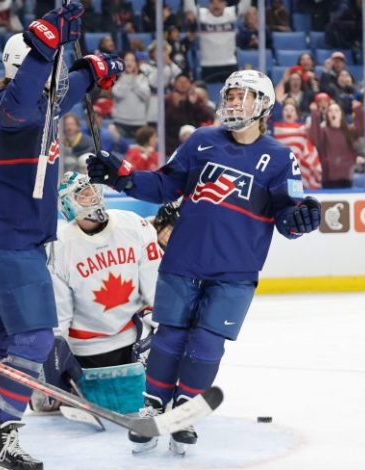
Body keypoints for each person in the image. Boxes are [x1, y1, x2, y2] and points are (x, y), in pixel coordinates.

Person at [86, 69, 321, 455]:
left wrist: (300, 220)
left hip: (235, 272)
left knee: (207, 344)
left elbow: (288, 217)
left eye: (242, 95)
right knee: (169, 337)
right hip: (184, 260)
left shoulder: (280, 158)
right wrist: (122, 177)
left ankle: (185, 410)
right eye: (229, 95)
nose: (231, 102)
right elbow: (164, 185)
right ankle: (154, 405)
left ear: (263, 105)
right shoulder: (201, 140)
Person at [0, 6, 124, 469]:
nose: (54, 84)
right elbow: (29, 97)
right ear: (28, 67)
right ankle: (2, 435)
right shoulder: (14, 107)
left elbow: (61, 90)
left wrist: (92, 68)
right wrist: (48, 41)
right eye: (46, 71)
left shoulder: (24, 101)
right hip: (10, 245)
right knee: (36, 339)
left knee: (1, 340)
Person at [30, 172, 161, 412]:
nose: (93, 197)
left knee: (173, 341)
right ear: (68, 204)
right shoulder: (59, 245)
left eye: (92, 191)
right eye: (83, 194)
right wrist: (56, 347)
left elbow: (155, 283)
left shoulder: (133, 224)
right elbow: (58, 308)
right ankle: (55, 386)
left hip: (131, 338)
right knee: (50, 394)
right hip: (86, 346)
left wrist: (160, 326)